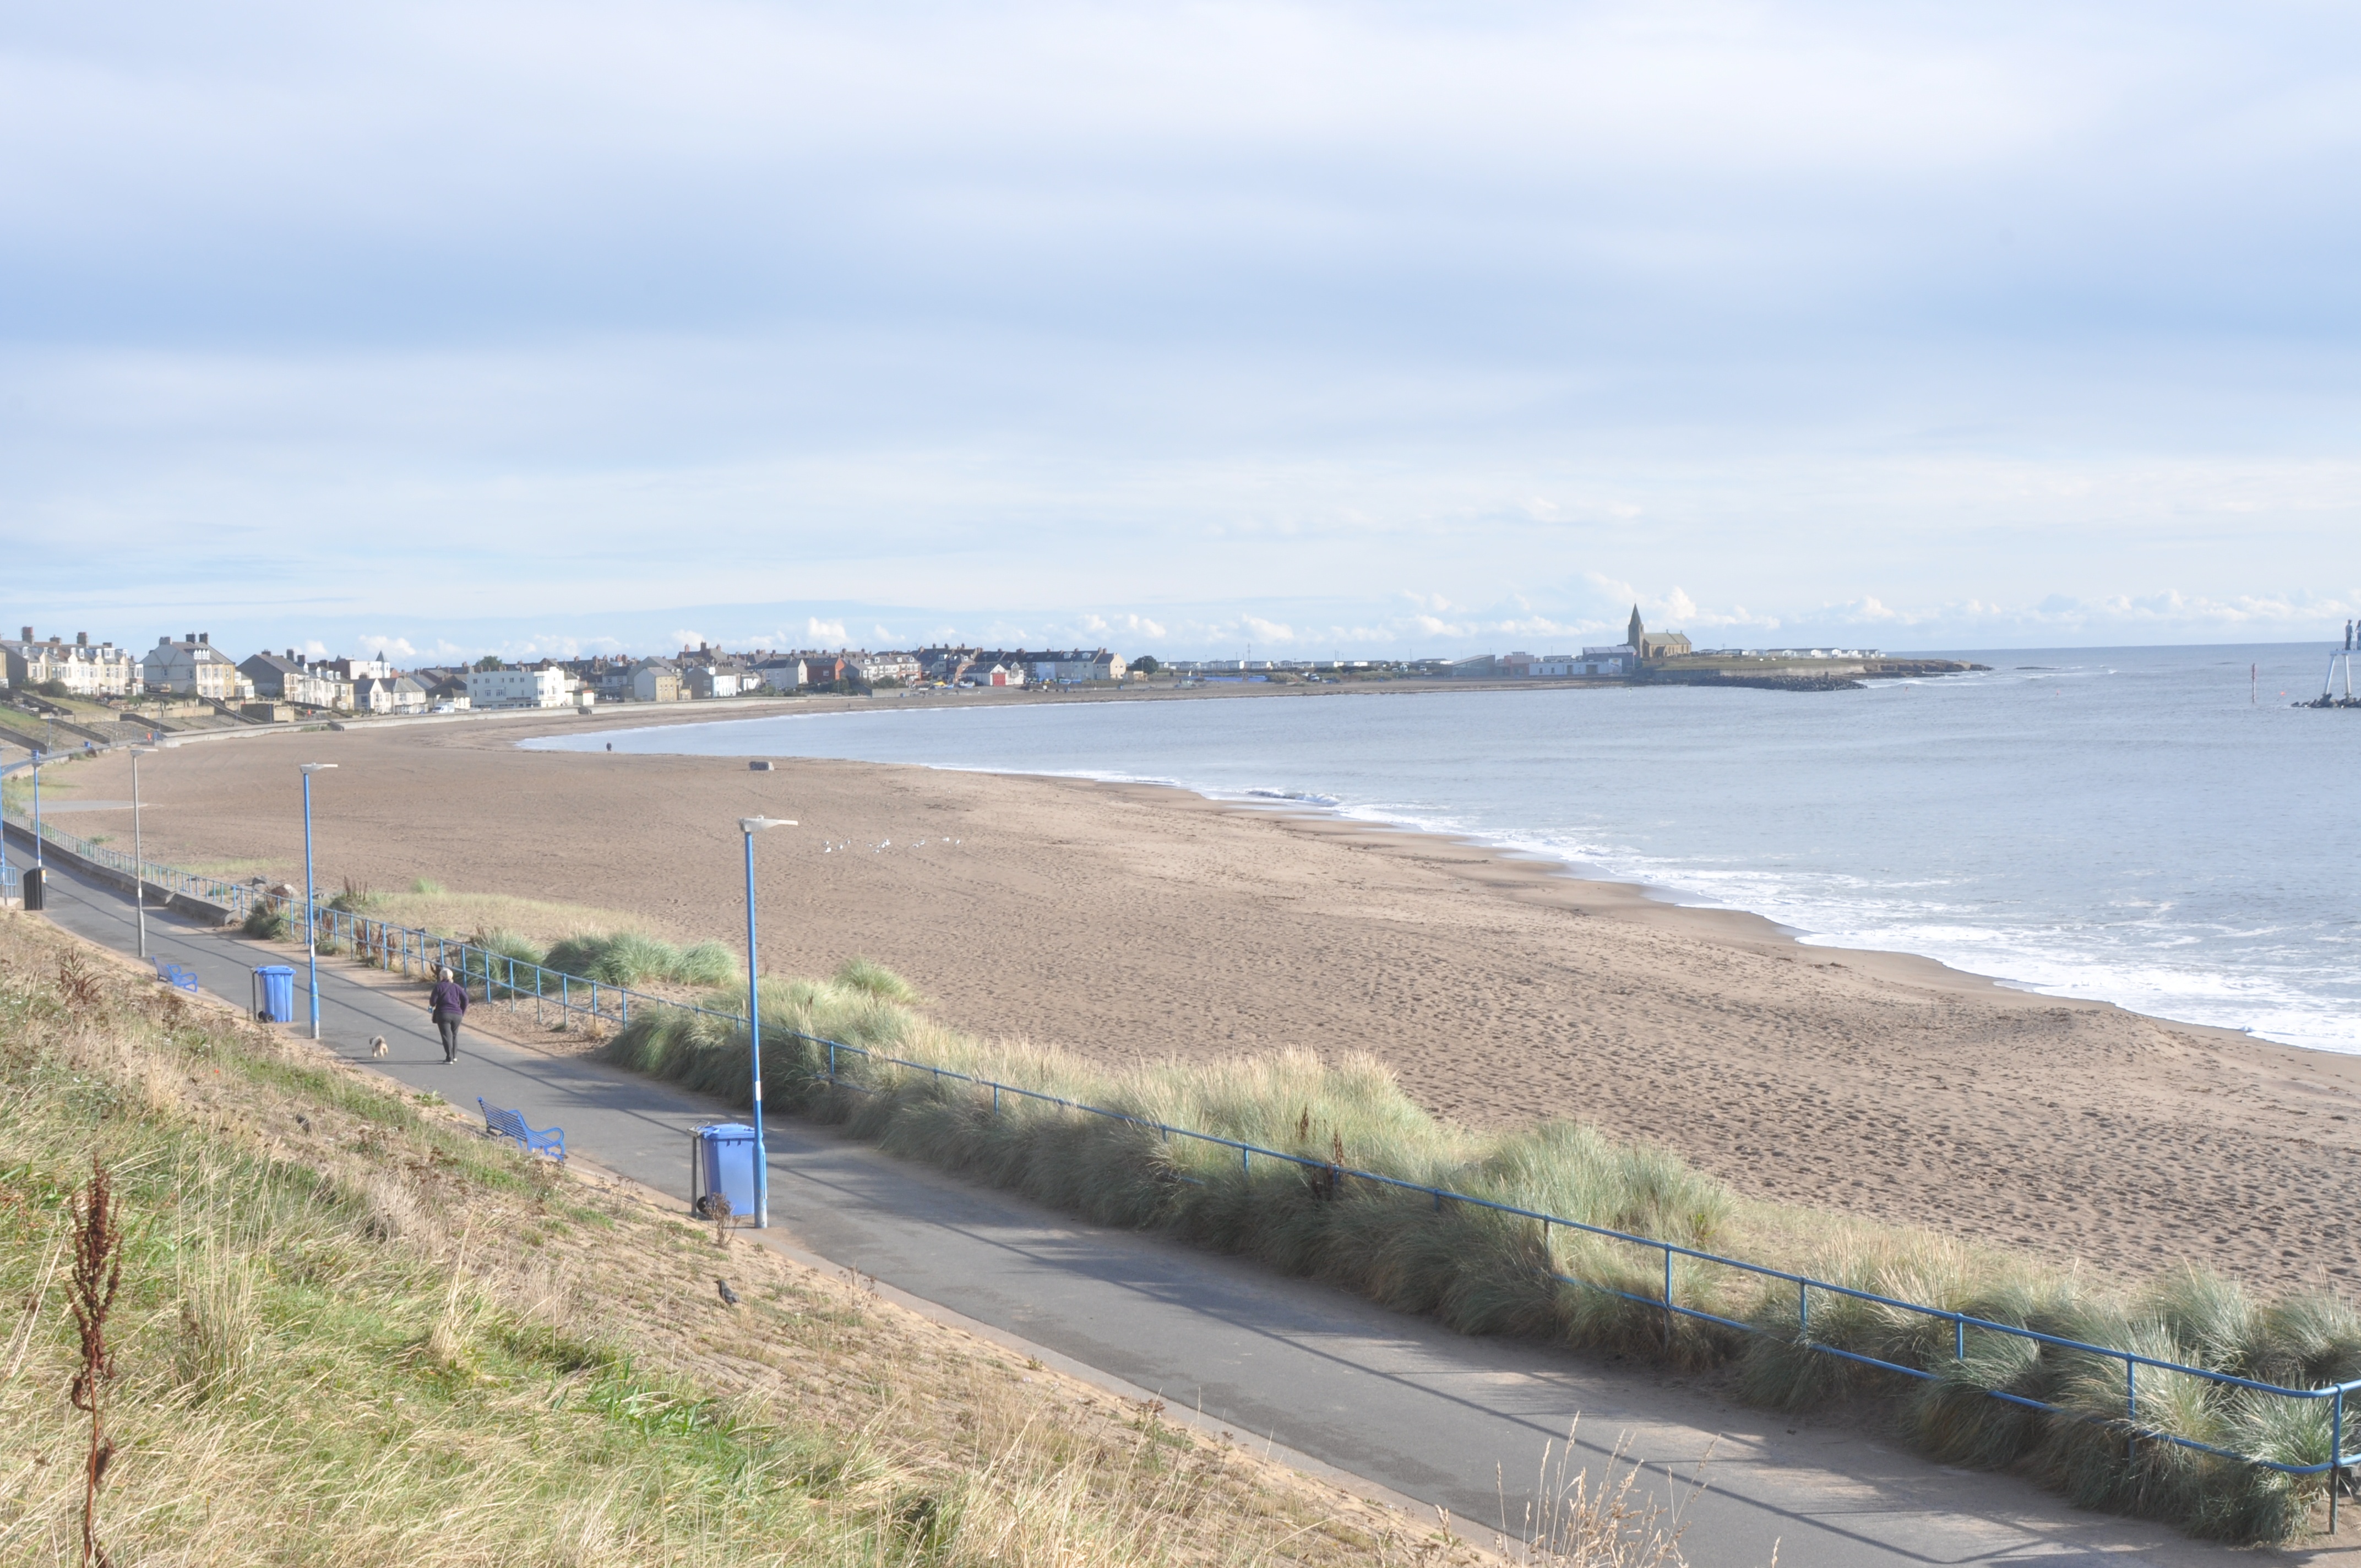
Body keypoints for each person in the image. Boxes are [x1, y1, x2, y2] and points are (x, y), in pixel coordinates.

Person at [428, 965, 469, 1063]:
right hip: (457, 1014)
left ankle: (449, 1058)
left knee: (446, 1036)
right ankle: (454, 1056)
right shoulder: (457, 987)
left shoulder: (439, 987)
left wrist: (433, 1005)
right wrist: (462, 1011)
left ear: (442, 977)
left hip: (443, 1014)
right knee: (454, 1035)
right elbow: (466, 999)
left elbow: (433, 1002)